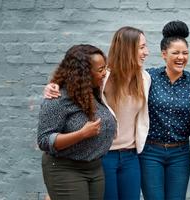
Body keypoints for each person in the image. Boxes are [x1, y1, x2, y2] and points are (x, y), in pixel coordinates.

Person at [43, 26, 151, 200]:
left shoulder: (145, 78)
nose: (146, 52)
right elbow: (75, 84)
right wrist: (53, 85)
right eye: (141, 47)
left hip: (130, 155)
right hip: (104, 154)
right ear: (126, 49)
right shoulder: (102, 78)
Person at [37, 44, 116, 200]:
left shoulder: (93, 92)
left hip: (94, 167)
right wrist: (81, 134)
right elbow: (44, 141)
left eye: (104, 68)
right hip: (66, 168)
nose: (104, 73)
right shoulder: (57, 99)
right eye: (100, 70)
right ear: (83, 74)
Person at [138, 20, 190, 200]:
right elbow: (119, 78)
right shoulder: (149, 77)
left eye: (185, 53)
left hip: (180, 152)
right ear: (164, 54)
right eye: (176, 53)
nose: (181, 57)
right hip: (151, 152)